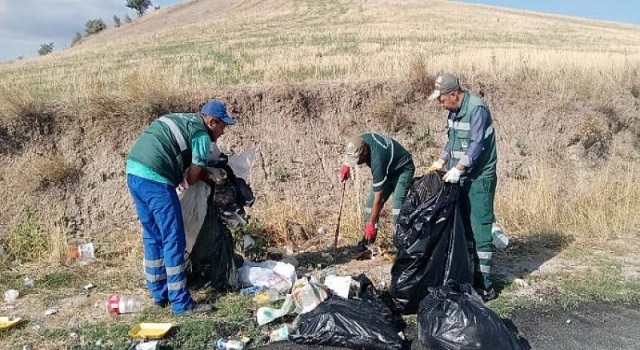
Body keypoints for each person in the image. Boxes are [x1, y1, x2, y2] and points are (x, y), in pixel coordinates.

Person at [126, 100, 236, 314]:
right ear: (212, 122)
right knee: (173, 237)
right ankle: (181, 303)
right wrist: (195, 175)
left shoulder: (183, 118)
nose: (223, 132)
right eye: (223, 126)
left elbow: (168, 146)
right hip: (155, 178)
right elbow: (194, 176)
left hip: (134, 171)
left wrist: (176, 172)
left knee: (153, 235)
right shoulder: (202, 136)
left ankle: (159, 294)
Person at [426, 73, 498, 302]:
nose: (440, 103)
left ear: (454, 94)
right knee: (465, 227)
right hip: (463, 176)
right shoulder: (453, 112)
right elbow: (452, 140)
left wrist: (458, 168)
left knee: (480, 227)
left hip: (479, 178)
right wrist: (442, 160)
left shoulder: (477, 109)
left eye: (441, 99)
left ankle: (485, 285)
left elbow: (476, 144)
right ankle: (469, 279)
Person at [340, 133, 415, 251]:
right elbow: (352, 150)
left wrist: (371, 224)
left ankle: (401, 244)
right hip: (388, 169)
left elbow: (378, 199)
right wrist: (347, 165)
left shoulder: (377, 160)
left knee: (397, 206)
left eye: (357, 159)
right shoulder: (360, 141)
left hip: (402, 170)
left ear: (364, 152)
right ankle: (368, 239)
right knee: (370, 205)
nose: (356, 163)